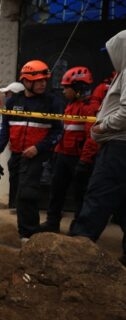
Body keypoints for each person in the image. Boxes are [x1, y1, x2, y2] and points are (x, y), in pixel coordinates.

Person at [71, 30, 126, 267]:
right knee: (123, 203)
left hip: (118, 145)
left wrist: (103, 127)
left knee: (98, 194)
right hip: (119, 144)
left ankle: (77, 249)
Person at [0, 60, 63, 241]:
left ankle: (28, 235)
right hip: (16, 156)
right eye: (38, 80)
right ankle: (28, 232)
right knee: (20, 196)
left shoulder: (52, 102)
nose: (43, 84)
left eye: (44, 80)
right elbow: (4, 129)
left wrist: (38, 148)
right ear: (25, 81)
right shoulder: (13, 102)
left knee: (27, 194)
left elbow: (58, 132)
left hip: (37, 156)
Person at [39, 66, 101, 233]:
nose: (63, 90)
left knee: (81, 195)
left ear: (78, 88)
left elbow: (93, 137)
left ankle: (79, 228)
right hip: (63, 155)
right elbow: (65, 131)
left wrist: (85, 160)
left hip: (79, 158)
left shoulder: (90, 108)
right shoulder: (70, 105)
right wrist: (56, 152)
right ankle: (52, 222)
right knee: (56, 191)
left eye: (67, 87)